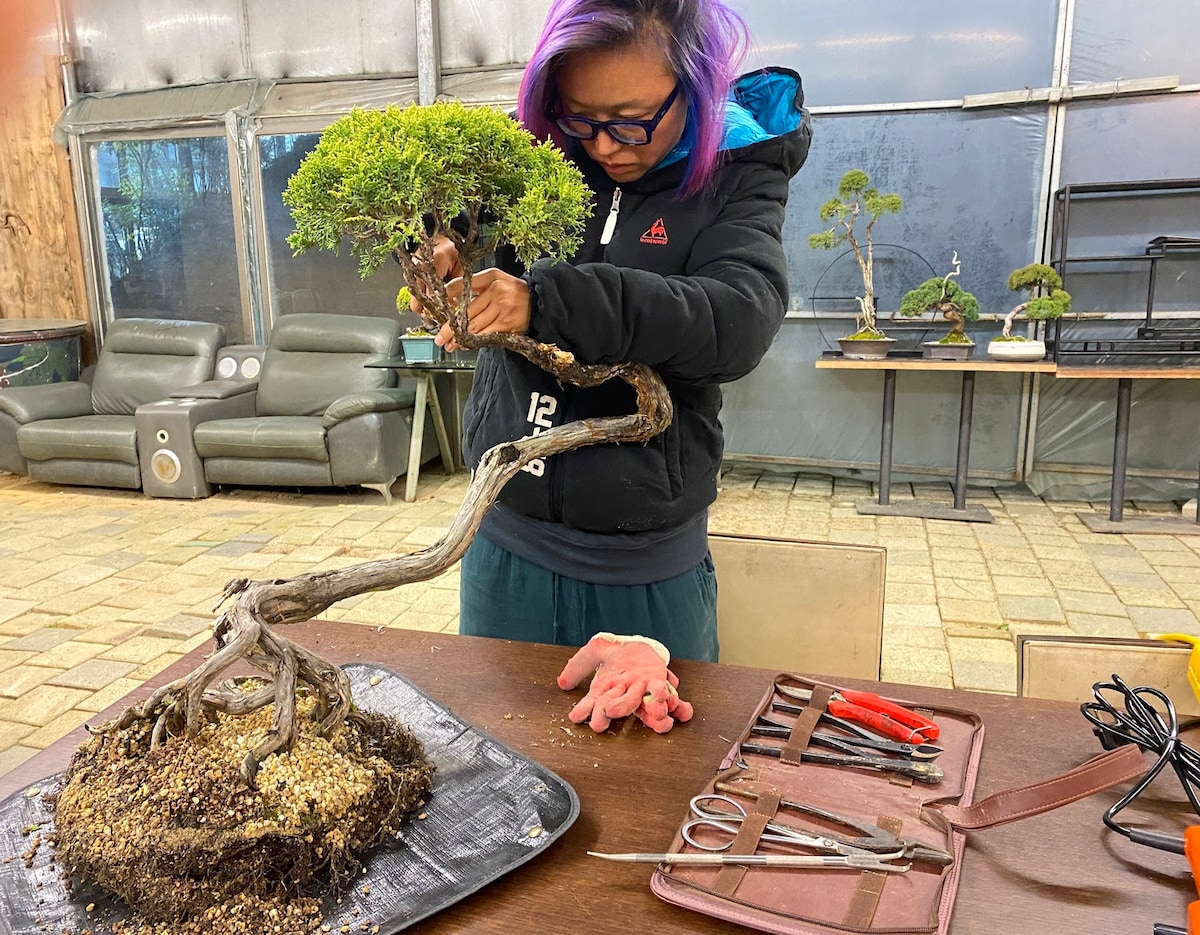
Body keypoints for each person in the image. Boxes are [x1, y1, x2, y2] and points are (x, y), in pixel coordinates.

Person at [419, 0, 811, 729]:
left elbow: (738, 318)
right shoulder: (533, 156)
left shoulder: (737, 173)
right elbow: (467, 242)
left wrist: (546, 300)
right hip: (504, 538)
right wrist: (444, 252)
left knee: (650, 778)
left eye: (631, 120)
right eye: (578, 118)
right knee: (495, 752)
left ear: (694, 85)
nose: (603, 144)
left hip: (644, 567)